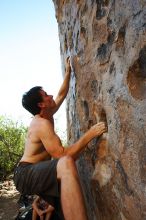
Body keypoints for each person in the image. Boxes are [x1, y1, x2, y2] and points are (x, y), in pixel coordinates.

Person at [13, 57, 107, 220]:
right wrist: (90, 134)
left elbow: (62, 93)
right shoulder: (41, 124)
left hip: (37, 173)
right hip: (24, 173)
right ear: (41, 104)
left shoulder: (48, 113)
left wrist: (68, 72)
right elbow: (63, 155)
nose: (50, 96)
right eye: (45, 95)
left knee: (58, 209)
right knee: (65, 163)